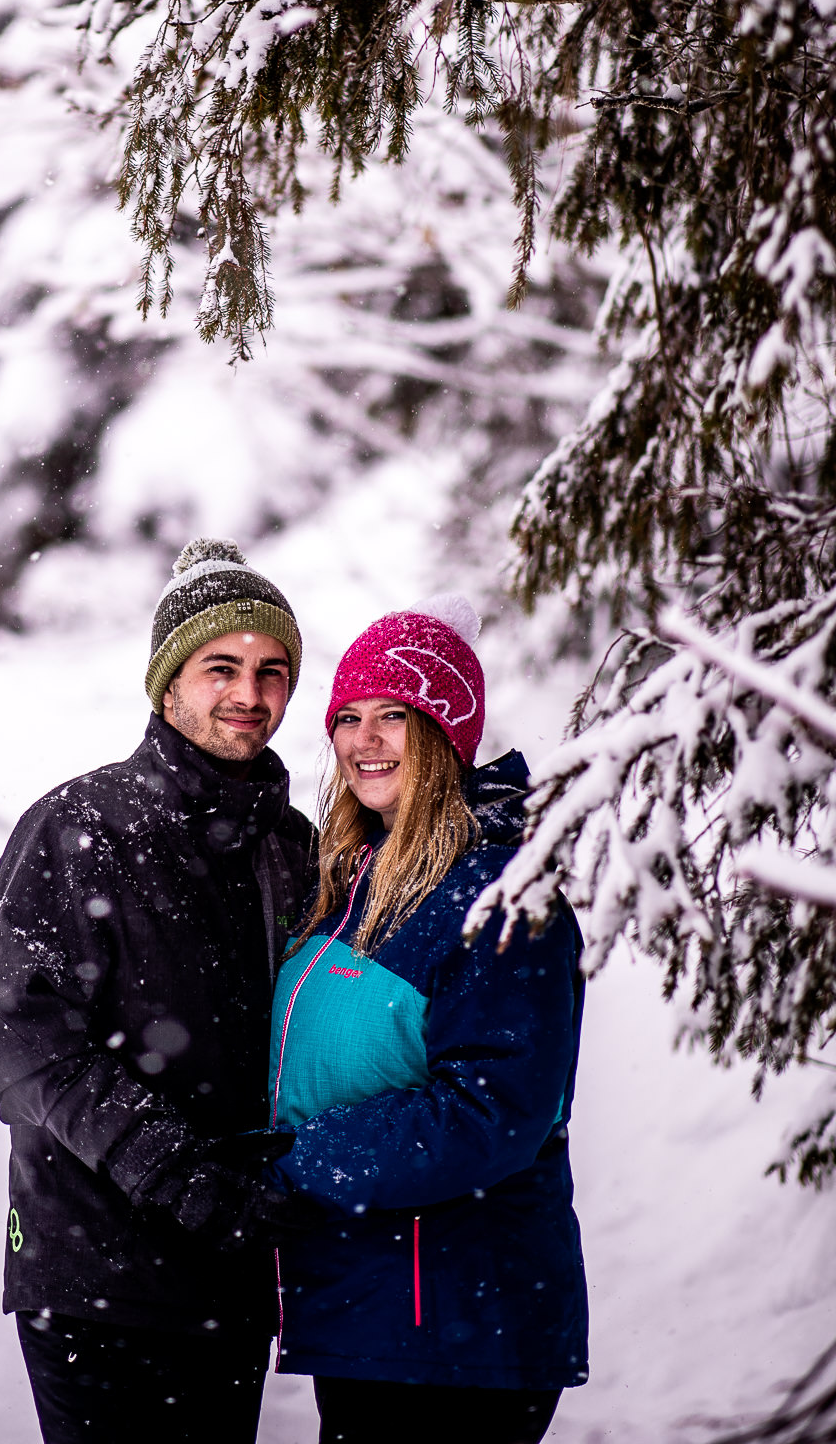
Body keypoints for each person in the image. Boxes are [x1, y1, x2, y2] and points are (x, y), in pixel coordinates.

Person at [0, 537, 320, 1444]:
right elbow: (22, 1044)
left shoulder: (291, 845)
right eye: (221, 667)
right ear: (168, 680)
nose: (249, 694)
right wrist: (182, 1173)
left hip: (232, 1275)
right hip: (96, 1272)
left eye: (272, 671)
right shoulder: (76, 826)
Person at [268, 592, 589, 1444]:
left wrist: (295, 1161)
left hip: (454, 1318)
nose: (363, 741)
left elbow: (491, 1112)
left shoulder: (498, 889)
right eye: (349, 717)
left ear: (447, 733)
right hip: (373, 1309)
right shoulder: (352, 877)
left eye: (394, 717)